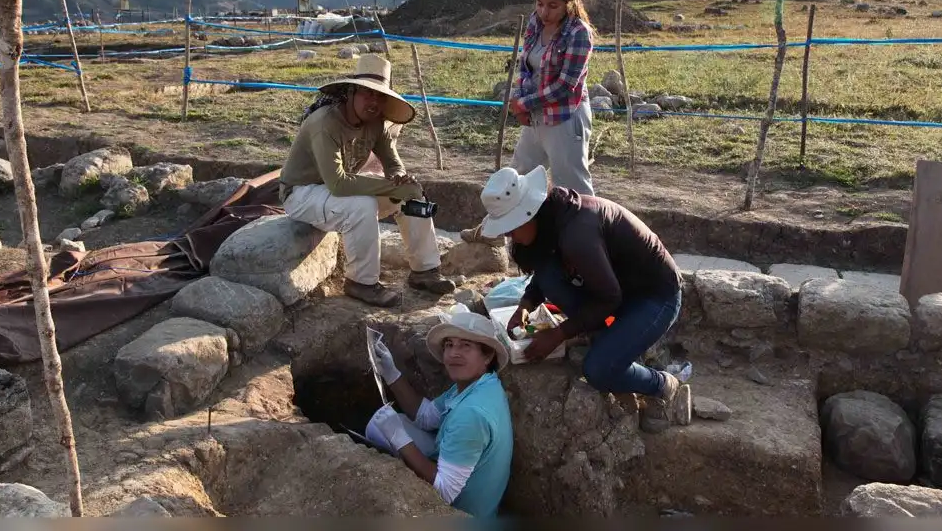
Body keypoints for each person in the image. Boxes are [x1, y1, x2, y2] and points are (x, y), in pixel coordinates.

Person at [478, 165, 691, 429]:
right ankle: (612, 343)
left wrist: (558, 334)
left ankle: (663, 384)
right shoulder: (552, 219)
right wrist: (526, 304)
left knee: (598, 370)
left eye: (510, 228)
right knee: (551, 277)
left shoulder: (577, 234)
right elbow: (545, 271)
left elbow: (609, 299)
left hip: (655, 297)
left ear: (528, 214)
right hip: (616, 290)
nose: (509, 236)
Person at [279, 54, 456, 307]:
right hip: (302, 194)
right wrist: (392, 187)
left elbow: (392, 161)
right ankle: (361, 282)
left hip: (338, 190)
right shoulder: (325, 123)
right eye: (366, 93)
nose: (373, 101)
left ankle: (425, 270)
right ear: (351, 92)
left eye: (379, 96)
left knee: (412, 195)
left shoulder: (377, 123)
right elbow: (338, 184)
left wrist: (399, 178)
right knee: (362, 205)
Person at [462, 0, 596, 246]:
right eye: (539, 4)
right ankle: (492, 232)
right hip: (535, 115)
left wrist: (524, 103)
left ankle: (590, 242)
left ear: (569, 3)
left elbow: (565, 86)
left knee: (572, 186)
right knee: (517, 175)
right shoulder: (535, 23)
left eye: (553, 6)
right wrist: (522, 100)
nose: (545, 12)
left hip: (564, 118)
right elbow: (526, 67)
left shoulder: (578, 34)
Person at [365, 311, 514, 518]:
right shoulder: (479, 383)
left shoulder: (471, 414)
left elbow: (445, 492)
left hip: (463, 513)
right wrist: (392, 374)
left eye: (466, 346)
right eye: (449, 345)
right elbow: (426, 416)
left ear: (488, 356)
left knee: (386, 433)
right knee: (388, 424)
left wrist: (400, 439)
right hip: (477, 496)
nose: (454, 353)